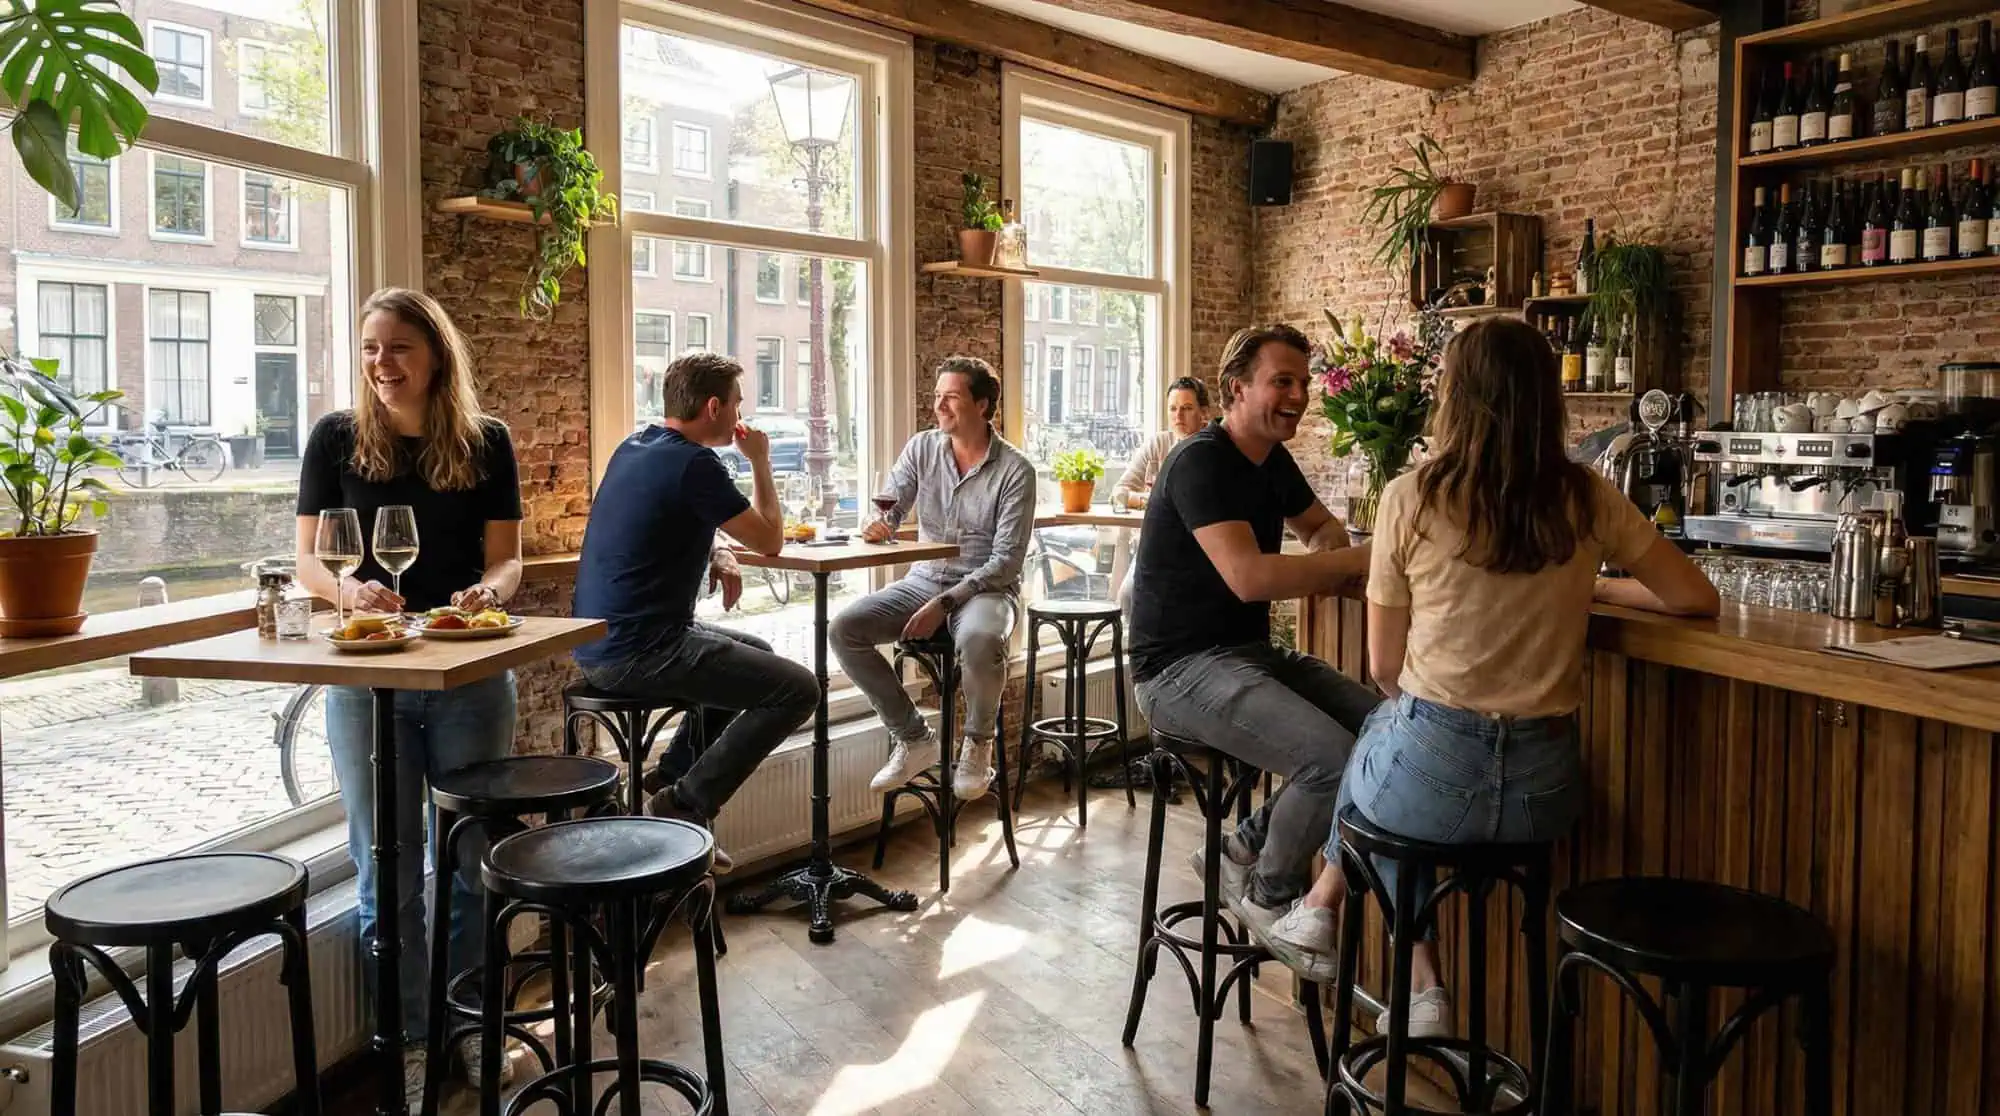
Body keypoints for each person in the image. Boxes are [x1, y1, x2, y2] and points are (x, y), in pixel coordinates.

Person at [1264, 317, 1720, 1036]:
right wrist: (1594, 587)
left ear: (1455, 397)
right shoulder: (1588, 497)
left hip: (1432, 782)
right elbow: (1696, 597)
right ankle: (1393, 966)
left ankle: (1353, 928)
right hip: (1546, 793)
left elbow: (1385, 668)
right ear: (1547, 400)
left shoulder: (1410, 497)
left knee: (1380, 763)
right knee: (1384, 771)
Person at [294, 287, 525, 1102]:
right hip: (370, 681)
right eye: (369, 348)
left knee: (469, 862)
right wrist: (347, 595)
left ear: (435, 356)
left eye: (397, 349)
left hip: (467, 674)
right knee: (384, 868)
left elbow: (507, 562)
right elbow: (311, 562)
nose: (381, 365)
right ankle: (414, 1039)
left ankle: (469, 1026)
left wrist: (484, 593)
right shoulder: (335, 439)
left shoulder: (487, 441)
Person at [1126, 323, 1377, 975]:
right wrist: (1359, 559)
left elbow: (1320, 526)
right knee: (1332, 758)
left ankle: (1237, 853)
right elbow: (1250, 576)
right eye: (1282, 381)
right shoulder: (1201, 460)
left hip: (1245, 655)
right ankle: (1269, 895)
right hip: (1176, 671)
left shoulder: (1272, 461)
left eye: (1303, 382)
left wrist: (1334, 552)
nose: (1298, 394)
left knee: (1386, 731)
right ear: (1237, 389)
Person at [570, 351, 819, 871]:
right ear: (713, 407)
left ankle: (668, 777)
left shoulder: (635, 447)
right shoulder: (696, 463)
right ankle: (685, 805)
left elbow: (659, 519)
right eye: (738, 404)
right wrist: (760, 460)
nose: (741, 414)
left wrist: (719, 549)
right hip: (640, 651)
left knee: (757, 654)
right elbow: (772, 540)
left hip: (598, 642)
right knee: (799, 690)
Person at [834, 356, 1036, 802]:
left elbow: (1005, 562)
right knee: (844, 629)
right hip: (924, 580)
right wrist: (879, 524)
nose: (939, 406)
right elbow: (891, 508)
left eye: (951, 397)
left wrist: (945, 604)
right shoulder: (922, 448)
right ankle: (913, 737)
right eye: (937, 396)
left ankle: (978, 745)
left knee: (981, 639)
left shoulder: (1016, 470)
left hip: (986, 588)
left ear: (982, 406)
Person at [1111, 375, 1211, 511]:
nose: (1178, 416)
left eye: (1187, 408)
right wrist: (1152, 502)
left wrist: (1155, 500)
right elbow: (1118, 494)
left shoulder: (1213, 450)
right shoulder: (1158, 444)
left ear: (1204, 413)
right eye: (1173, 409)